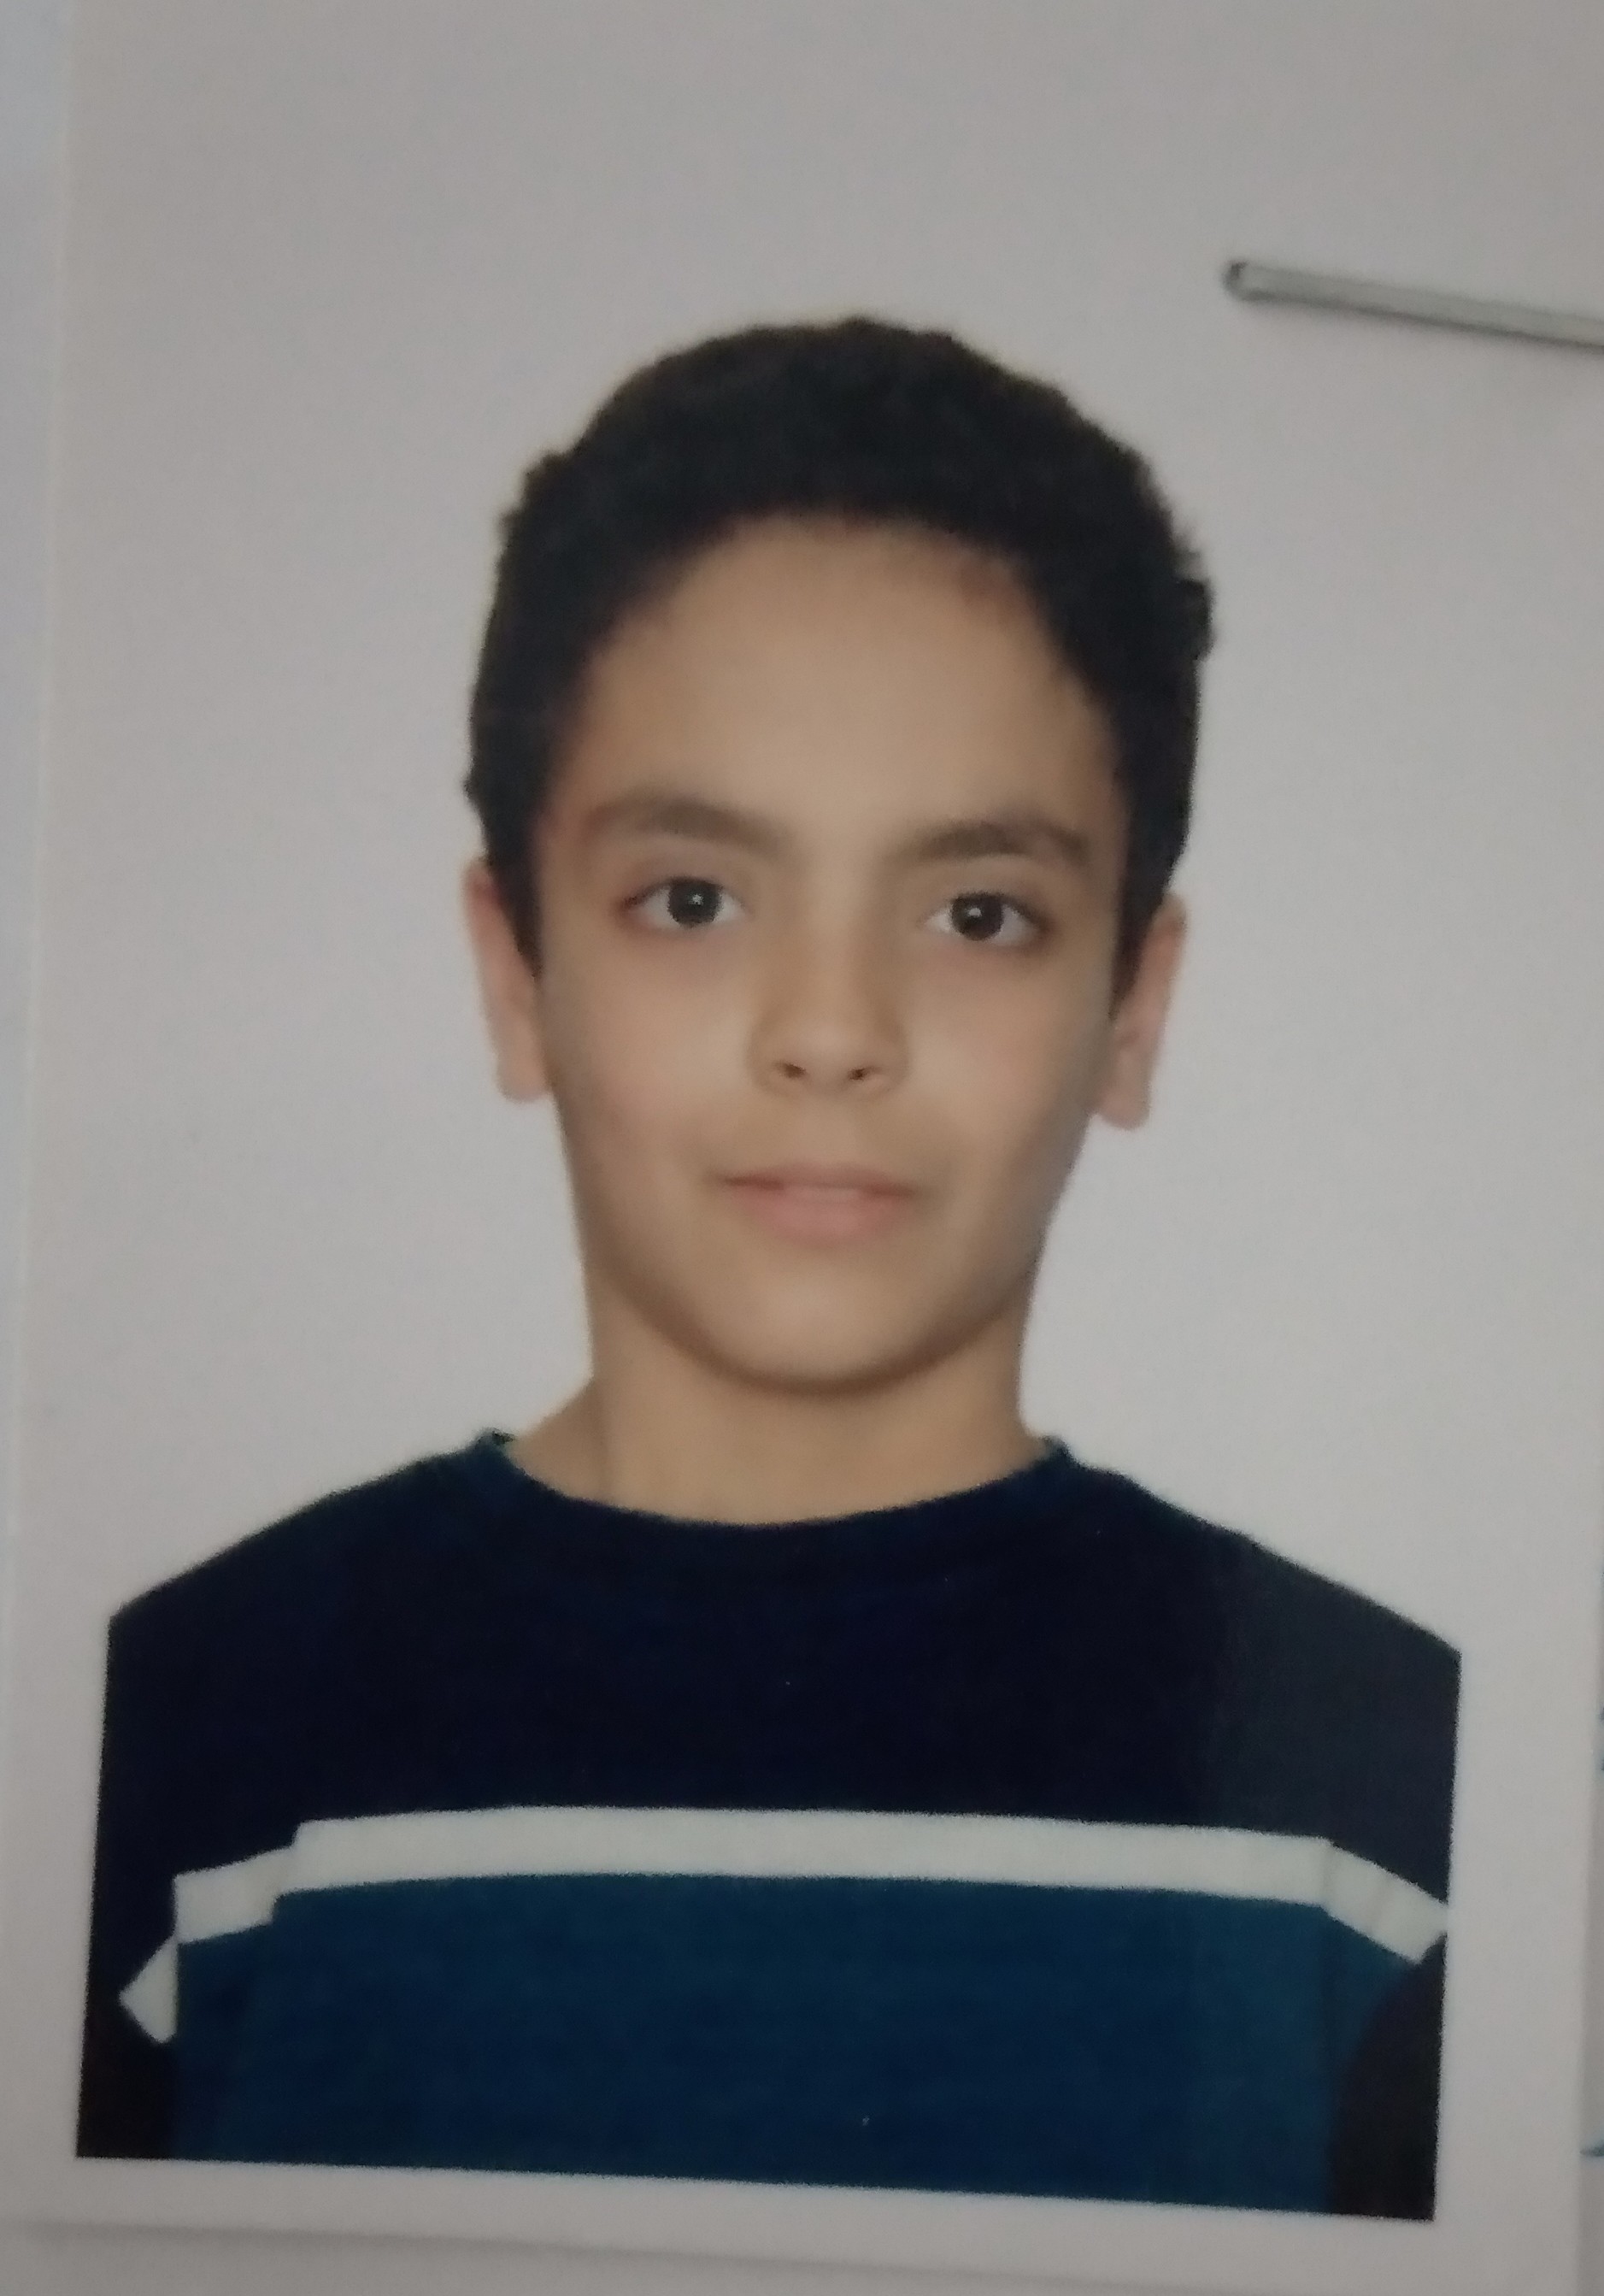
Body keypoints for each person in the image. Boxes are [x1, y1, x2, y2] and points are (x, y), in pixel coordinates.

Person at [76, 317, 1457, 2215]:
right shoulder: (168, 1737)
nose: (828, 1028)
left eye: (981, 913)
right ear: (516, 972)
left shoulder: (1391, 1807)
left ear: (1131, 1008)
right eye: (694, 897)